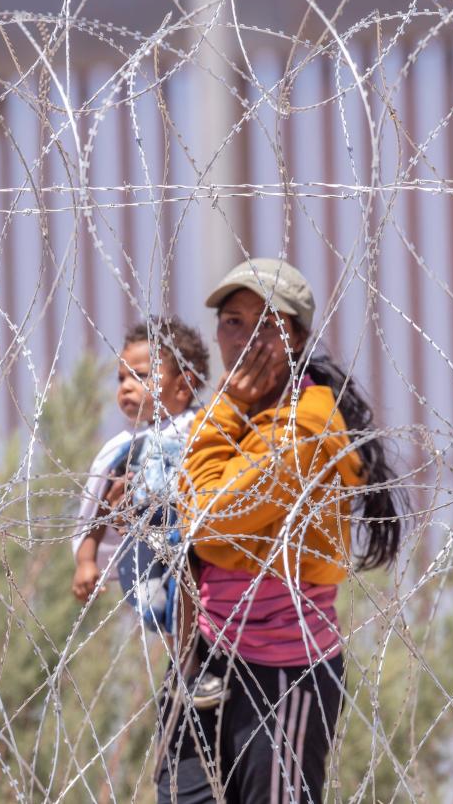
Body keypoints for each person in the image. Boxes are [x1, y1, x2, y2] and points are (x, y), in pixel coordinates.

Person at [156, 258, 405, 804]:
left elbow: (211, 516)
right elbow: (208, 519)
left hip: (282, 669)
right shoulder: (236, 413)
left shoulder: (308, 422)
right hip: (206, 657)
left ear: (294, 336)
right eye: (232, 322)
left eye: (265, 324)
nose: (244, 339)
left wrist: (221, 415)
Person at [71, 317, 209, 638]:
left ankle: (188, 664)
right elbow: (102, 508)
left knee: (188, 602)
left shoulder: (204, 430)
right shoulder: (129, 449)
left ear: (182, 383)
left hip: (195, 542)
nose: (126, 387)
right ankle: (183, 665)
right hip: (147, 546)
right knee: (162, 612)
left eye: (141, 376)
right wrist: (86, 561)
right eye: (121, 378)